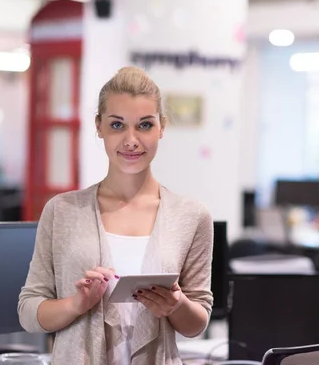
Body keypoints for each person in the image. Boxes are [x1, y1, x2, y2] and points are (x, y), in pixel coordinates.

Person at [18, 66, 214, 364]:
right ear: (99, 126)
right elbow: (29, 313)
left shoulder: (192, 216)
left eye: (145, 125)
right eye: (117, 125)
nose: (131, 140)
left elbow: (197, 322)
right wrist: (77, 304)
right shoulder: (62, 210)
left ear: (162, 126)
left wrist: (176, 305)